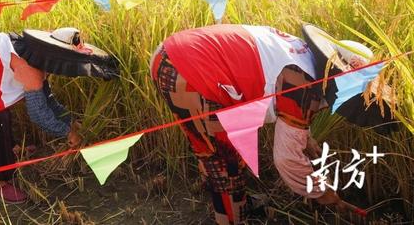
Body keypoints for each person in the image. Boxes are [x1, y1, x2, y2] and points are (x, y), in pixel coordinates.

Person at [149, 23, 395, 225]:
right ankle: (232, 217)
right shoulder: (304, 83)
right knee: (224, 161)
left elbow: (293, 110)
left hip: (175, 56)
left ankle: (216, 194)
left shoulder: (304, 56)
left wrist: (305, 138)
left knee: (211, 145)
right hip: (186, 70)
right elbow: (286, 159)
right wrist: (321, 193)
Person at [0, 27, 118, 204]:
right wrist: (68, 133)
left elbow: (48, 99)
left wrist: (71, 122)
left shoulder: (33, 53)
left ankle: (11, 148)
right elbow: (39, 115)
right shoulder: (30, 68)